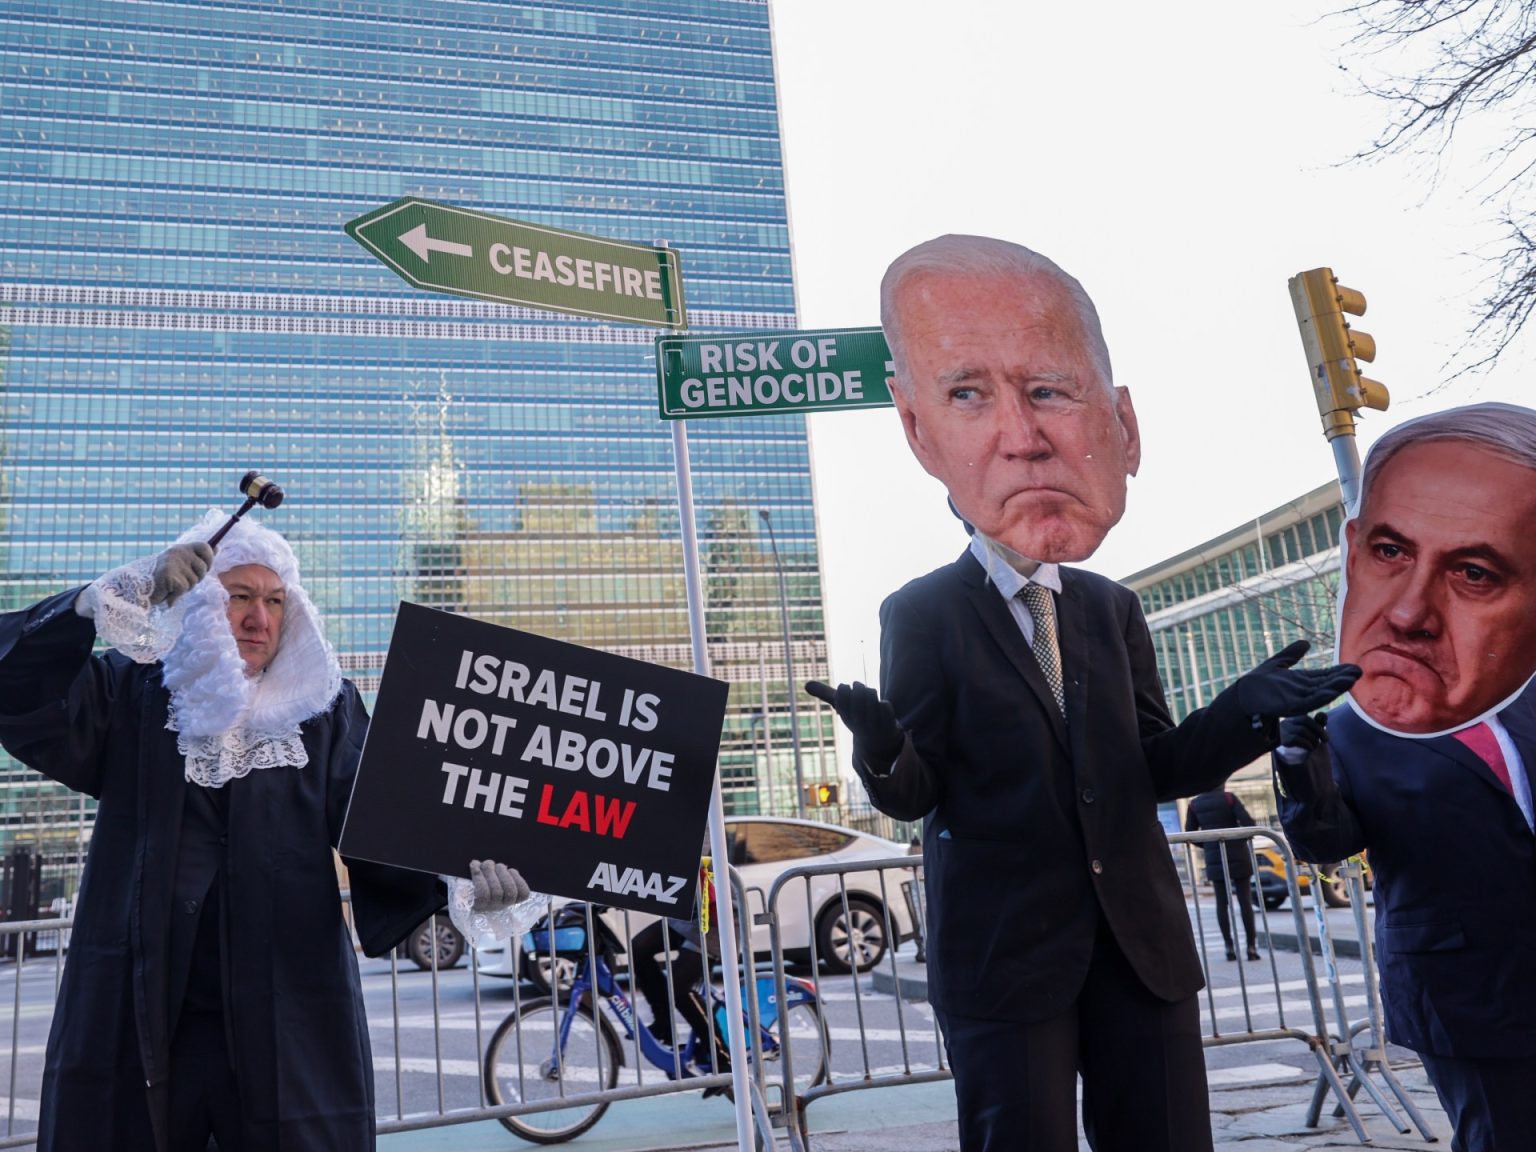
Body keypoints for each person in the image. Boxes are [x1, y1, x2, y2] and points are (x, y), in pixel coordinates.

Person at [806, 234, 1360, 1152]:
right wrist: (880, 746)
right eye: (971, 403)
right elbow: (918, 793)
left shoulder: (1110, 606)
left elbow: (1158, 767)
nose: (1025, 449)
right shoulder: (924, 612)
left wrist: (1245, 711)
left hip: (1138, 949)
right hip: (1008, 958)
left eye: (1048, 398)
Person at [0, 511, 531, 1152]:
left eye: (275, 601)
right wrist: (107, 596)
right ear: (199, 602)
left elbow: (386, 826)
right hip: (136, 1013)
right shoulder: (130, 689)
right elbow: (15, 683)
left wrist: (463, 878)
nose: (259, 619)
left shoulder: (324, 710)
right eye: (239, 597)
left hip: (287, 1022)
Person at [1276, 402, 1536, 1151]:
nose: (1414, 610)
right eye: (1391, 552)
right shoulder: (1357, 722)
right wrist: (1300, 770)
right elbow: (1325, 841)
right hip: (1469, 994)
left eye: (1474, 571)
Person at [1336, 402, 1536, 735]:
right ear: (1353, 559)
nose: (1406, 615)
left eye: (1473, 573)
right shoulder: (1330, 742)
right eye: (1390, 551)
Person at [1183, 790, 1260, 962]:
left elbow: (1190, 833)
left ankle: (1228, 946)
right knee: (1245, 901)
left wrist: (1209, 844)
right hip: (1239, 854)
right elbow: (1248, 823)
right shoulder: (1229, 798)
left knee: (1221, 903)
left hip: (1214, 857)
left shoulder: (1194, 804)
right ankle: (1251, 947)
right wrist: (1236, 839)